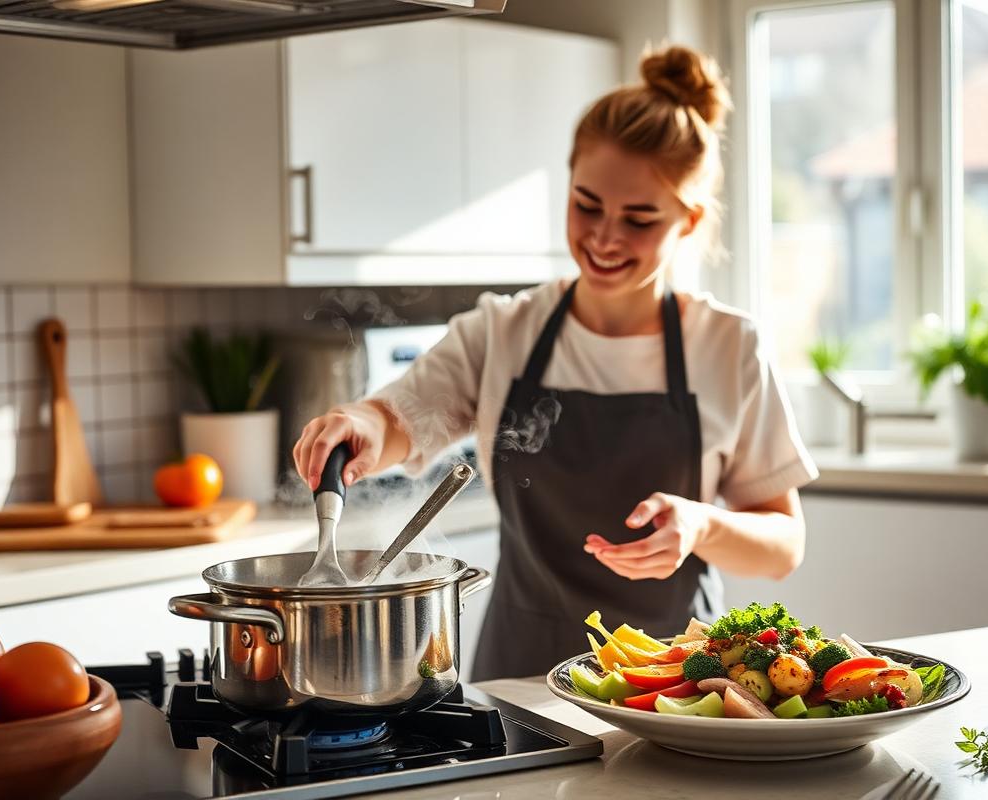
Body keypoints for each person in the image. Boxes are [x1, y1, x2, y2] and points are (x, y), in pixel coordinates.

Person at [293, 45, 818, 681]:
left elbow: (783, 545)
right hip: (521, 679)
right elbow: (398, 420)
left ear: (689, 221)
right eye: (586, 204)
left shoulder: (728, 346)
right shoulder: (503, 331)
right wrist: (361, 423)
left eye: (639, 219)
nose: (604, 237)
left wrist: (702, 526)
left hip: (676, 687)